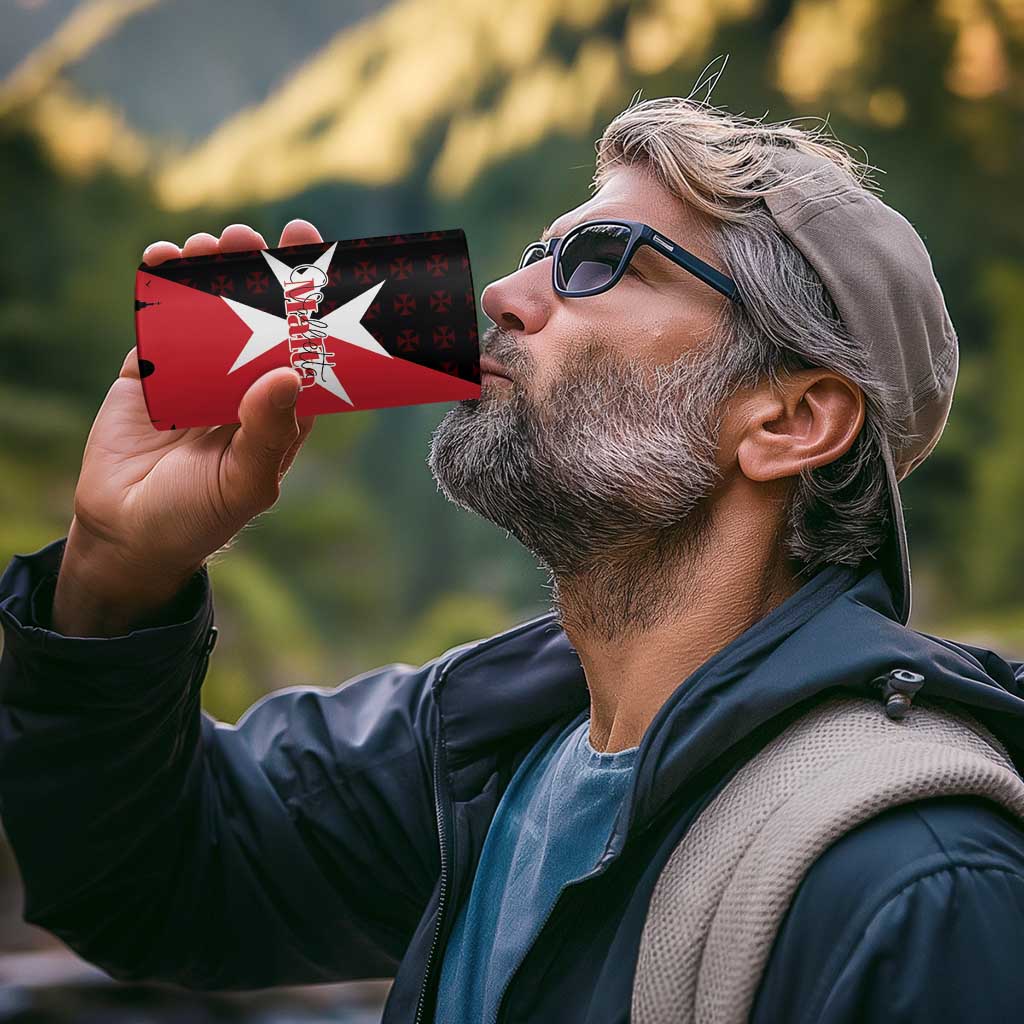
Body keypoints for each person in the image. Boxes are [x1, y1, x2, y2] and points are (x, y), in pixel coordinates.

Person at [2, 94, 1024, 1024]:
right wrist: (115, 574)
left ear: (790, 421)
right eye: (541, 251)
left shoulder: (918, 886)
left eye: (601, 261)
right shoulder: (482, 746)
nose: (501, 292)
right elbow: (150, 880)